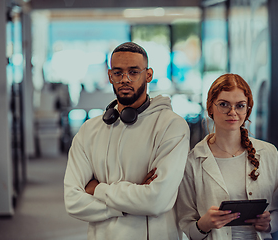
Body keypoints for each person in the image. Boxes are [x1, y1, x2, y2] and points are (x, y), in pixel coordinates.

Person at [64, 42, 190, 240]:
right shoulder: (89, 130)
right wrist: (134, 200)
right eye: (118, 72)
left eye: (133, 72)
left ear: (148, 75)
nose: (125, 79)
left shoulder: (171, 126)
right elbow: (73, 201)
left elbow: (157, 201)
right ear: (109, 76)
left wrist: (98, 189)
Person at [177, 73, 278, 240]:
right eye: (224, 104)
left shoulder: (268, 153)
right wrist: (204, 224)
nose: (232, 112)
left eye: (240, 106)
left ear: (248, 109)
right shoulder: (192, 161)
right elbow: (186, 226)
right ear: (210, 107)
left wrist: (269, 223)